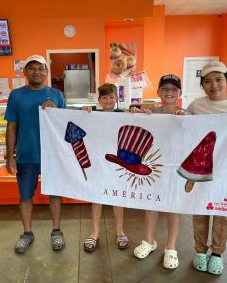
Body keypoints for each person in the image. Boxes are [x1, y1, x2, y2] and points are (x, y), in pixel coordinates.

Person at [5, 54, 66, 254]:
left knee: (55, 195)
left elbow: (66, 124)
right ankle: (27, 234)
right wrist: (10, 156)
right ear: (25, 72)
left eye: (41, 68)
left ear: (47, 73)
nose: (36, 72)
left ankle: (56, 231)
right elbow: (12, 127)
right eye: (32, 68)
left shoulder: (56, 95)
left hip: (52, 155)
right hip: (26, 155)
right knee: (25, 197)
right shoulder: (16, 95)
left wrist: (56, 110)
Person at [131, 74, 185, 269]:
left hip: (177, 169)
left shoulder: (187, 114)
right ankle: (149, 240)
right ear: (158, 92)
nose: (169, 92)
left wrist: (185, 119)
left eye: (173, 89)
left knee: (173, 207)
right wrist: (141, 114)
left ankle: (171, 247)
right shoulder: (151, 112)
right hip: (154, 167)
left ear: (180, 92)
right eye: (165, 88)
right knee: (151, 204)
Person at [187, 61, 227, 275]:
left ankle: (218, 253)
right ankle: (200, 251)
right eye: (208, 81)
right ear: (202, 85)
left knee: (222, 213)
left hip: (226, 170)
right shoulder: (196, 106)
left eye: (219, 80)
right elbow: (183, 129)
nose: (214, 85)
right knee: (200, 209)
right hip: (201, 168)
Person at [82, 83, 129, 252]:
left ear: (116, 99)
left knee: (117, 198)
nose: (108, 100)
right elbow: (82, 123)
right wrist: (85, 111)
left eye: (111, 97)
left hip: (118, 163)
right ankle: (94, 232)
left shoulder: (124, 114)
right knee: (97, 197)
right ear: (99, 100)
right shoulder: (93, 114)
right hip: (99, 162)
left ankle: (120, 230)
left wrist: (138, 112)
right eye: (104, 97)